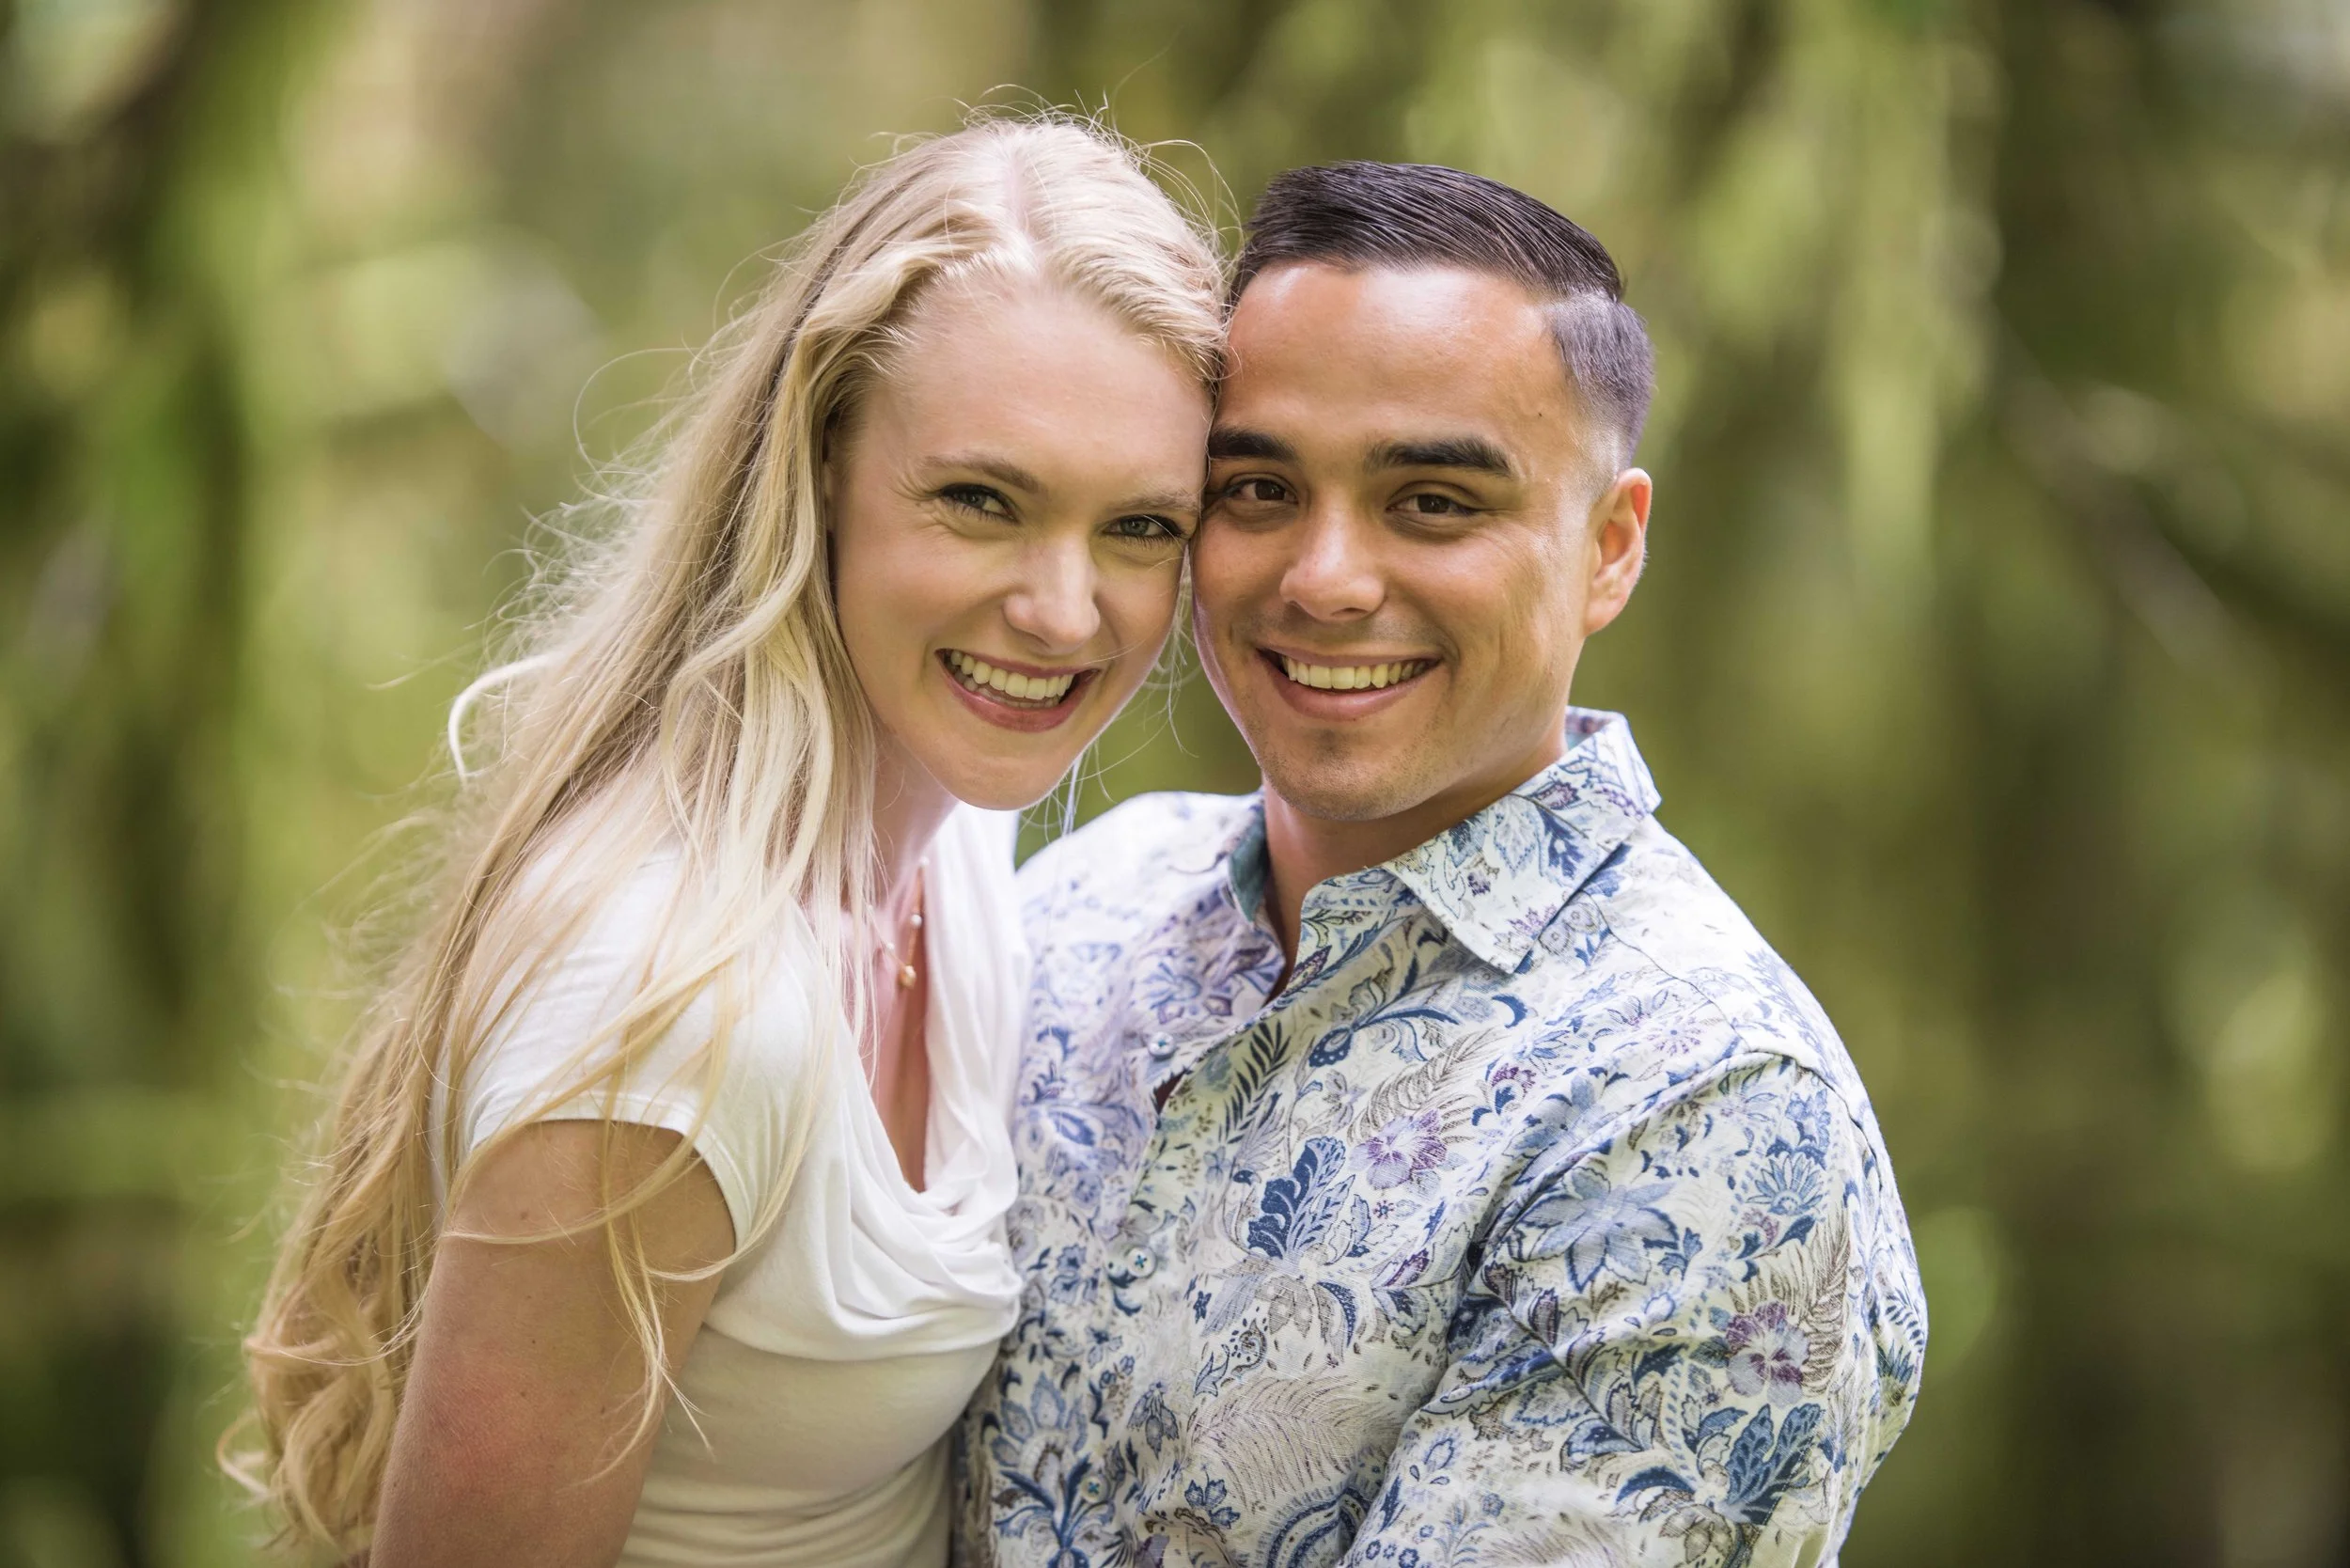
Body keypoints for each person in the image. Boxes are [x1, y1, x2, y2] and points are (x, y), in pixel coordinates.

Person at [232, 118, 1225, 1568]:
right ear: (819, 467)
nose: (1065, 612)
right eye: (980, 500)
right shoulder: (677, 1009)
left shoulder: (946, 830)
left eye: (1139, 527)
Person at [963, 162, 1927, 1567]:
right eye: (1258, 488)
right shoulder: (1075, 902)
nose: (1325, 579)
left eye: (1432, 502)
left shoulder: (1703, 1112)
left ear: (1609, 549)